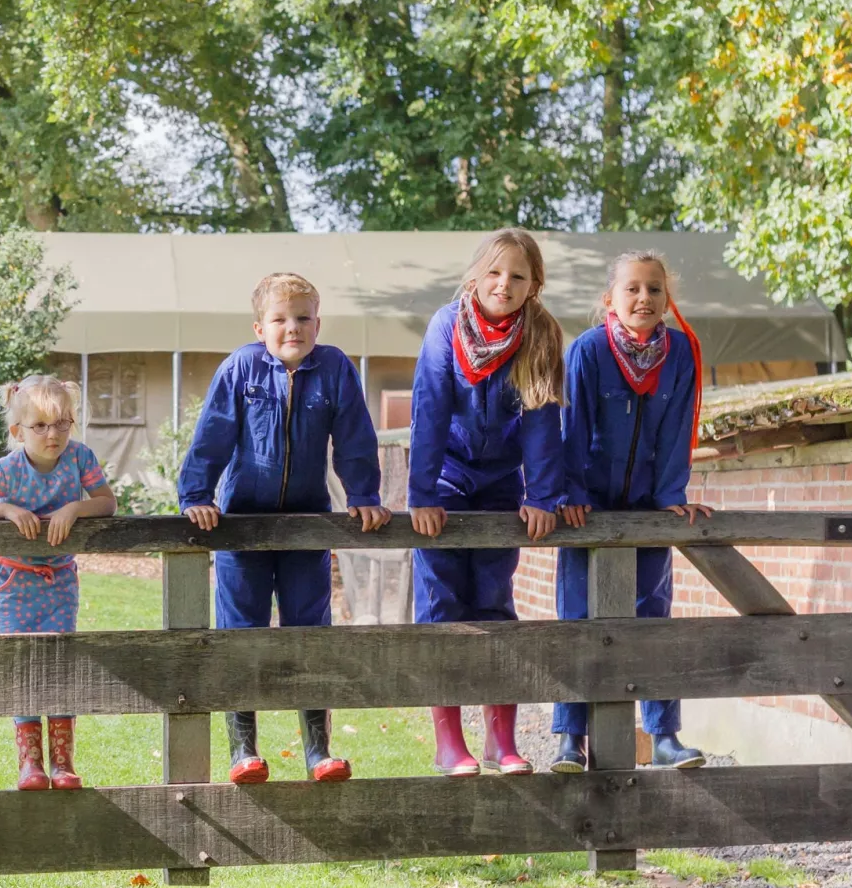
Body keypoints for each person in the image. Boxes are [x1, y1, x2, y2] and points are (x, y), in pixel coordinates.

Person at [179, 272, 390, 784]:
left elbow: (355, 434)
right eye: (280, 319)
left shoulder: (335, 368)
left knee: (309, 631)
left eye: (302, 318)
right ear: (259, 327)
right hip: (242, 525)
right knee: (240, 632)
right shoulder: (241, 370)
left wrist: (363, 495)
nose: (292, 328)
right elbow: (213, 435)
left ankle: (318, 751)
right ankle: (243, 750)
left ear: (318, 323)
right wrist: (197, 496)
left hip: (305, 525)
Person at [409, 228, 565, 777]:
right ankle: (449, 742)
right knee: (442, 603)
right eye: (494, 272)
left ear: (533, 285)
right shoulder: (445, 325)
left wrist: (543, 494)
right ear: (474, 276)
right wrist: (422, 494)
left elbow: (543, 420)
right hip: (447, 479)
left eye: (517, 276)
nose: (504, 283)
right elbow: (429, 408)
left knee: (494, 601)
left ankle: (502, 739)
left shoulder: (541, 334)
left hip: (501, 483)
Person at [551, 250, 711, 772]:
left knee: (652, 618)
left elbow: (678, 427)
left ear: (668, 299)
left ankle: (663, 736)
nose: (644, 298)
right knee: (577, 619)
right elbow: (571, 427)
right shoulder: (589, 351)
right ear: (610, 300)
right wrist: (571, 492)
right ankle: (569, 738)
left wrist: (671, 495)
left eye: (654, 289)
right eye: (633, 289)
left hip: (647, 508)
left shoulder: (682, 352)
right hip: (586, 510)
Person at [0, 375, 117, 790]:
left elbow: (107, 502)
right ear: (17, 431)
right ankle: (31, 763)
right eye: (41, 425)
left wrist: (75, 508)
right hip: (12, 582)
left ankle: (63, 762)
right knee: (22, 664)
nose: (53, 434)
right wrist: (5, 509)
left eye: (62, 423)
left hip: (58, 580)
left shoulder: (79, 459)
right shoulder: (5, 472)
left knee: (60, 662)